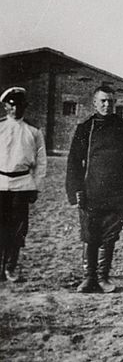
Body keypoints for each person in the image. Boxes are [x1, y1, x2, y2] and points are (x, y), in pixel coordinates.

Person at [66, 85, 123, 293]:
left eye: (111, 102)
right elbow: (73, 162)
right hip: (90, 191)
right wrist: (76, 190)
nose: (107, 105)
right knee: (89, 234)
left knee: (109, 235)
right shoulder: (85, 128)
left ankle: (103, 277)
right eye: (103, 101)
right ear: (95, 103)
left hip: (116, 192)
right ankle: (89, 278)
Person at [0, 87, 46, 282]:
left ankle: (11, 267)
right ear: (5, 107)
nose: (16, 109)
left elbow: (41, 162)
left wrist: (35, 186)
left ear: (25, 108)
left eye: (20, 105)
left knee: (17, 230)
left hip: (22, 185)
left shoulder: (33, 132)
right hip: (0, 184)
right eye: (12, 105)